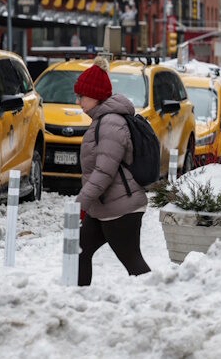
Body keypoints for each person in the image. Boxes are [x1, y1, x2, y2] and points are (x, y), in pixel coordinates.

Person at [73, 61, 150, 287]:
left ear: (96, 96)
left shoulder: (110, 123)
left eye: (81, 97)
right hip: (105, 207)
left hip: (121, 208)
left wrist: (81, 203)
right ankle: (77, 299)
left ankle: (155, 300)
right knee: (79, 250)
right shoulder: (102, 121)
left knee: (133, 262)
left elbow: (104, 171)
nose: (78, 103)